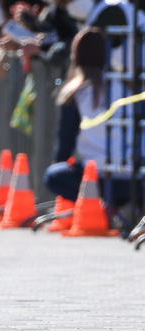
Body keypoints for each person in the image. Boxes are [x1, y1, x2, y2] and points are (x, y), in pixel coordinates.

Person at [44, 28, 136, 223]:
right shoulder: (127, 87)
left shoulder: (75, 92)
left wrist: (61, 162)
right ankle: (124, 206)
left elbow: (65, 141)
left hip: (94, 177)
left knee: (53, 176)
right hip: (132, 179)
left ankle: (101, 207)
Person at [56, 0, 145, 73]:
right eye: (70, 0)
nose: (76, 2)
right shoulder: (89, 18)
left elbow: (90, 49)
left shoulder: (111, 6)